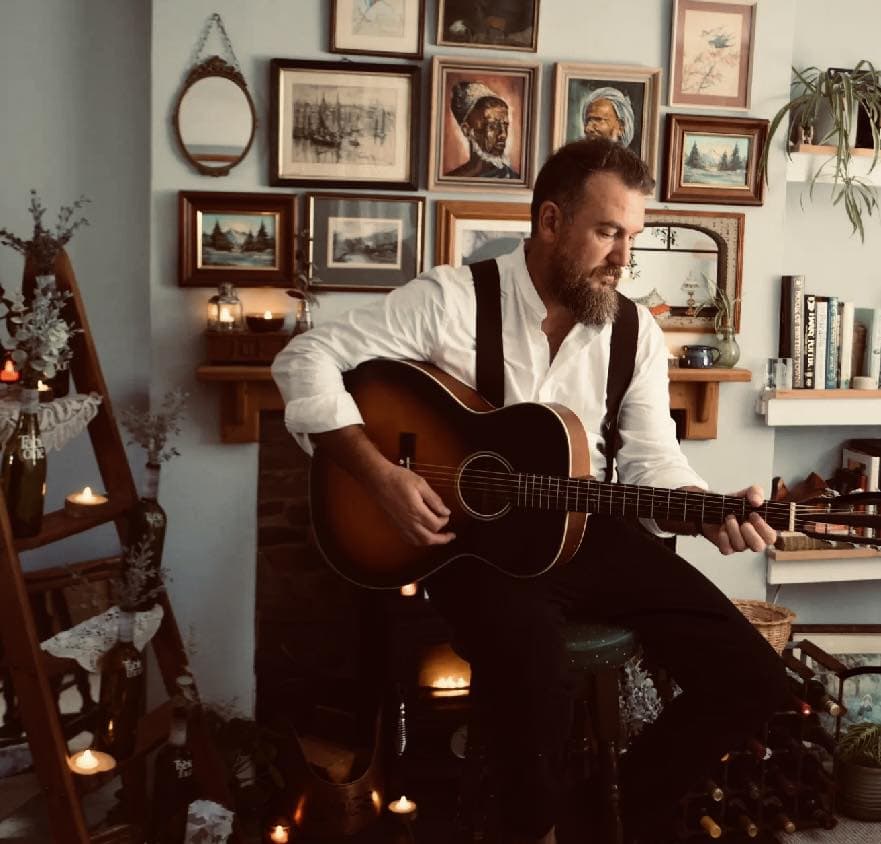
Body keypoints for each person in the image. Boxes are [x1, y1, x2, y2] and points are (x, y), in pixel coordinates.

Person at [272, 137, 789, 844]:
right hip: (468, 546)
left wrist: (705, 514)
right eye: (607, 232)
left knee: (752, 680)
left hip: (585, 529)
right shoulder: (451, 298)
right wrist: (378, 476)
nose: (623, 259)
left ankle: (615, 815)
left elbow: (650, 460)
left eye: (631, 236)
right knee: (534, 685)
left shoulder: (631, 329)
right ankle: (527, 827)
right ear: (550, 221)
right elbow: (305, 357)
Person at [445, 80, 520, 179]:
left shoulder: (513, 178)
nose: (503, 134)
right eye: (492, 126)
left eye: (505, 126)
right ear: (466, 130)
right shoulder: (452, 179)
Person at [582, 86, 635, 150]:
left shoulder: (628, 160)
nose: (587, 128)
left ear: (621, 127)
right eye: (587, 121)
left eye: (598, 120)